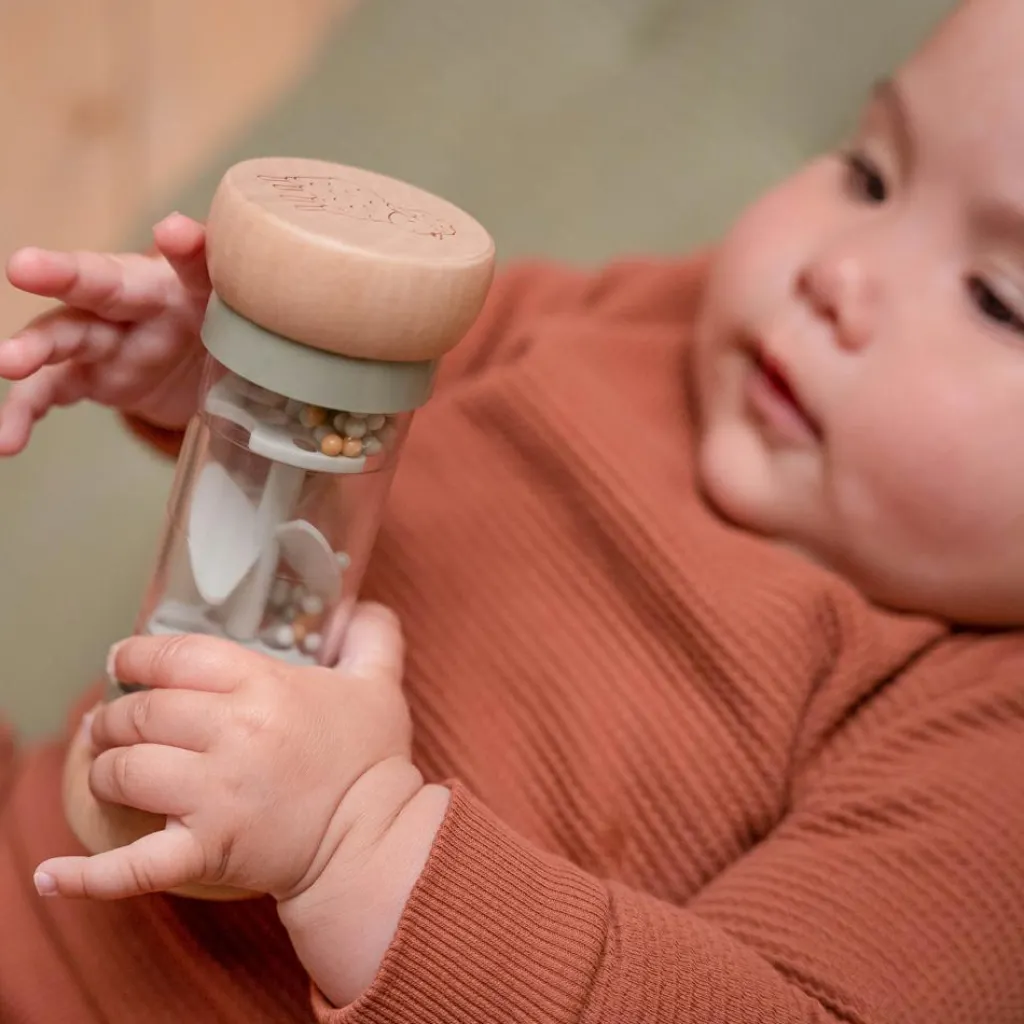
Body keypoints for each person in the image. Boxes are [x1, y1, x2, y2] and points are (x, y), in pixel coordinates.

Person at [1, 0, 1023, 1020]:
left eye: (996, 299)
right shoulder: (640, 323)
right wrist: (233, 378)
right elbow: (340, 429)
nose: (840, 270)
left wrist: (358, 840)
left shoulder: (980, 750)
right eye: (868, 173)